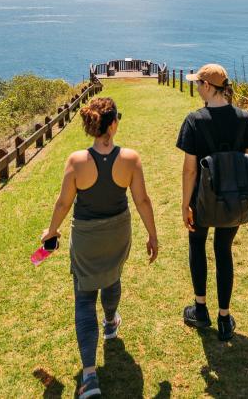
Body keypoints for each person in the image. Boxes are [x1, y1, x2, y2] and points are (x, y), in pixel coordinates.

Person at [41, 96, 159, 399]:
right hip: (118, 231)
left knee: (83, 299)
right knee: (112, 277)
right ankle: (110, 323)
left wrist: (51, 232)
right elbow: (142, 201)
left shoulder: (77, 161)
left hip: (86, 236)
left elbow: (64, 202)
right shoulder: (130, 158)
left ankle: (90, 377)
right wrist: (152, 235)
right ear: (113, 123)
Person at [175, 64, 248, 341]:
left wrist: (185, 204)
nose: (197, 88)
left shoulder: (194, 120)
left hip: (202, 201)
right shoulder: (245, 119)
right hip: (233, 201)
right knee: (223, 250)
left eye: (198, 84)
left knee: (197, 245)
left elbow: (190, 170)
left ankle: (200, 310)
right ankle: (225, 318)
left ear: (209, 87)